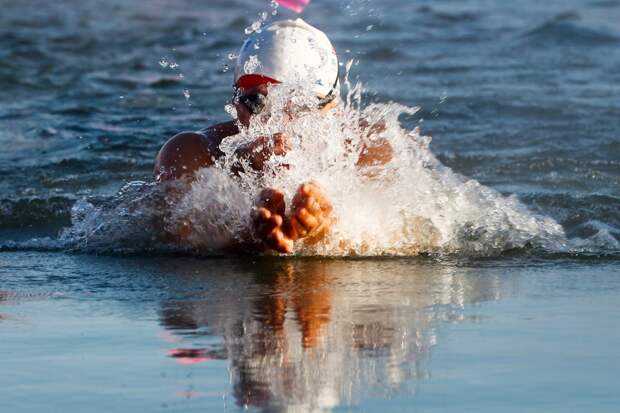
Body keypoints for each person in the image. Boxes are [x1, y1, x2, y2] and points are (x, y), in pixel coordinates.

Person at [153, 19, 391, 254]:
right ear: (236, 103)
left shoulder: (368, 147)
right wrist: (247, 234)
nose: (280, 127)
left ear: (333, 108)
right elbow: (178, 239)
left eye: (302, 107)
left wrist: (324, 229)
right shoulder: (192, 152)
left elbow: (399, 233)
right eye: (258, 104)